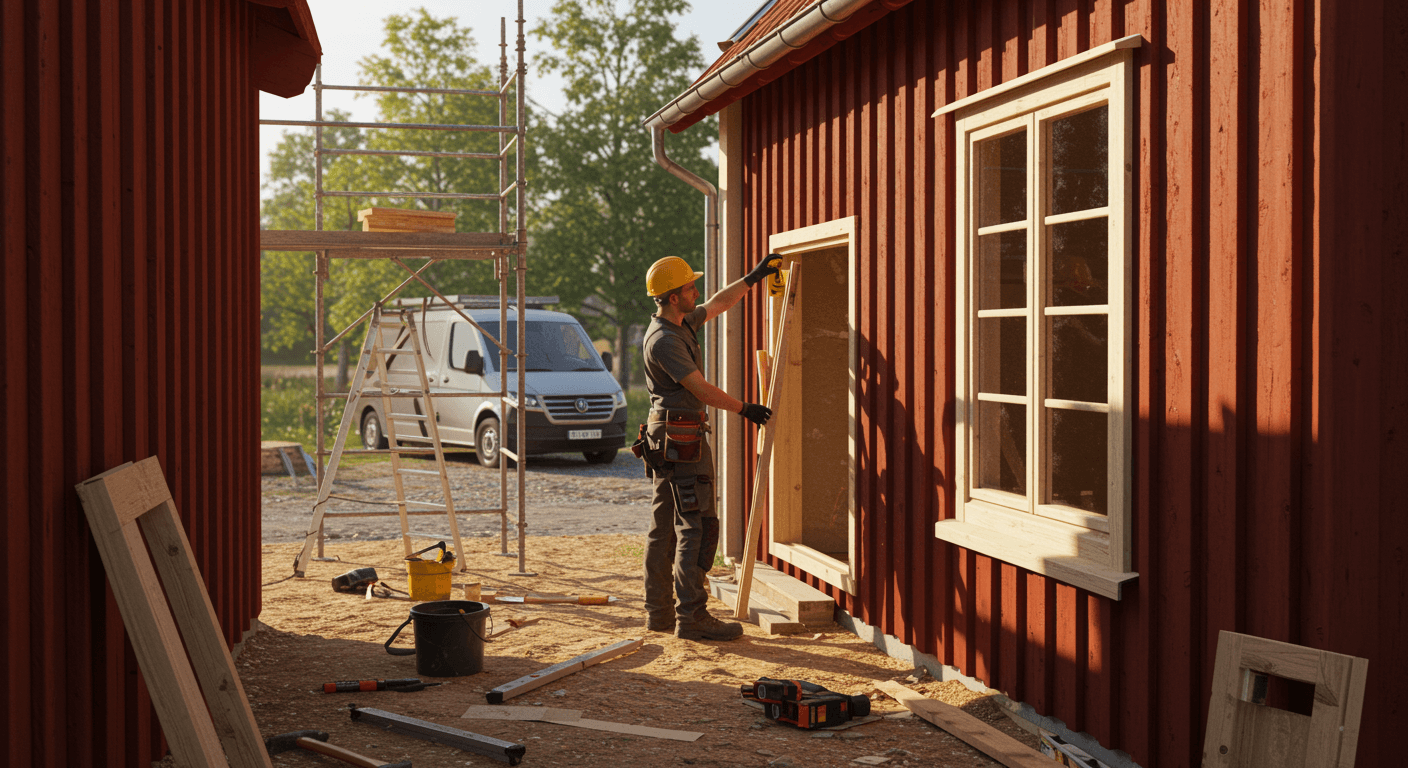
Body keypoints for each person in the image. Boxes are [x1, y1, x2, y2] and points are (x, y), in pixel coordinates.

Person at [638, 253, 781, 641]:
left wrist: (752, 277)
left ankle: (660, 614)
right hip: (680, 439)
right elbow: (699, 388)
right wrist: (745, 408)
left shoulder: (679, 322)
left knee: (664, 526)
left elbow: (718, 303)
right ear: (671, 297)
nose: (695, 292)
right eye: (688, 288)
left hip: (668, 436)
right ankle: (693, 617)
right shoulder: (665, 341)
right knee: (695, 526)